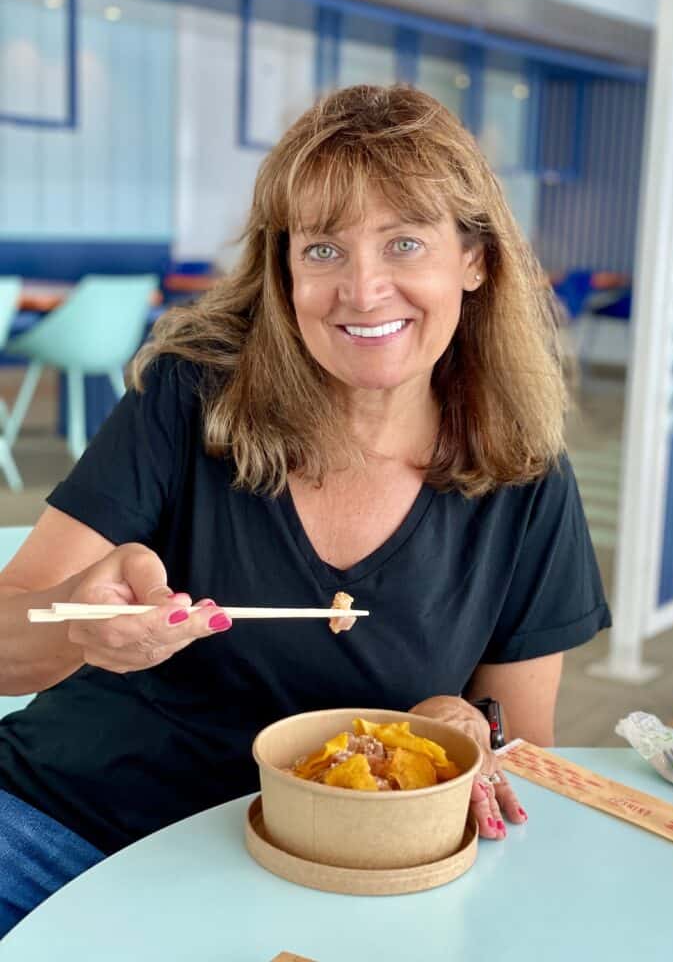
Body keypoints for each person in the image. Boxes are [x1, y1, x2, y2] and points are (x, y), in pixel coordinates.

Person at [0, 84, 610, 936]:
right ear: (284, 271)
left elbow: (519, 752)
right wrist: (78, 630)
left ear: (474, 260)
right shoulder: (192, 398)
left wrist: (460, 727)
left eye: (404, 243)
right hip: (57, 830)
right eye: (323, 250)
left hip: (328, 887)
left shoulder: (526, 479)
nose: (362, 291)